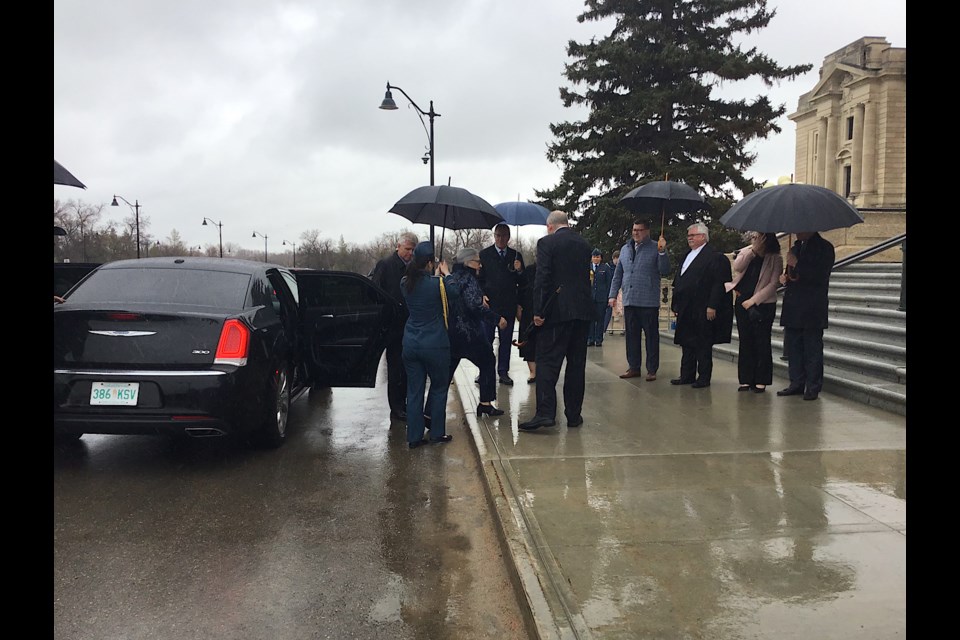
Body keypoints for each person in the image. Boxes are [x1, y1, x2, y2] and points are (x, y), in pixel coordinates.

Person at [519, 211, 593, 431]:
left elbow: (542, 278)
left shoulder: (547, 243)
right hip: (582, 312)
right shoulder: (584, 244)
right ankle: (573, 415)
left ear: (550, 226)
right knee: (576, 365)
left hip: (556, 313)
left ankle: (545, 413)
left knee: (547, 363)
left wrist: (538, 311)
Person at [399, 241, 459, 449]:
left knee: (414, 391)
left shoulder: (405, 283)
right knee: (439, 388)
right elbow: (455, 293)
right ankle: (436, 432)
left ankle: (414, 437)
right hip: (435, 344)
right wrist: (447, 273)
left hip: (411, 343)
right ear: (430, 263)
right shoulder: (439, 284)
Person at [443, 247, 508, 417]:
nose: (480, 265)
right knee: (487, 361)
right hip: (469, 333)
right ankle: (485, 403)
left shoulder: (451, 278)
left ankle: (430, 412)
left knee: (445, 374)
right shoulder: (469, 279)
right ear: (467, 262)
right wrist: (496, 318)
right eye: (477, 262)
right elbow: (474, 306)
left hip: (451, 334)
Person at [670, 222, 733, 388]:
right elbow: (679, 281)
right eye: (688, 236)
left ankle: (703, 377)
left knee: (702, 343)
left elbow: (718, 283)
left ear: (703, 237)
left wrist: (712, 305)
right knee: (686, 342)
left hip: (702, 307)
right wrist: (675, 304)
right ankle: (687, 374)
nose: (689, 238)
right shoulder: (686, 255)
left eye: (693, 235)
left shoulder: (714, 257)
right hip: (686, 306)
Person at [608, 219, 671, 381]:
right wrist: (612, 295)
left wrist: (662, 252)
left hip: (648, 301)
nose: (636, 233)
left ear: (647, 231)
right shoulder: (625, 249)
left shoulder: (656, 247)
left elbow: (664, 270)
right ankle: (634, 367)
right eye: (634, 230)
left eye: (640, 230)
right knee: (631, 336)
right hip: (630, 300)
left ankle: (651, 369)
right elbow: (618, 274)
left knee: (651, 336)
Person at [776, 231, 835, 401]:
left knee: (812, 348)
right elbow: (795, 275)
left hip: (812, 307)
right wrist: (786, 277)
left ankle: (813, 386)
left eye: (799, 228)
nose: (796, 232)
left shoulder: (824, 248)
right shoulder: (796, 247)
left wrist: (798, 264)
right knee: (794, 348)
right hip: (794, 306)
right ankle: (796, 382)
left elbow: (820, 276)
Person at [726, 232, 783, 393]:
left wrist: (754, 300)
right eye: (753, 238)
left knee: (762, 341)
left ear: (767, 239)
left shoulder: (775, 258)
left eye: (758, 237)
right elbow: (737, 267)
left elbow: (774, 284)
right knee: (746, 341)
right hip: (742, 302)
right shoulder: (747, 252)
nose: (754, 240)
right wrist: (752, 251)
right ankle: (745, 378)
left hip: (763, 304)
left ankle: (761, 380)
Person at [371, 232, 418, 421]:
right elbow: (375, 290)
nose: (410, 253)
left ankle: (405, 403)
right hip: (393, 325)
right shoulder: (386, 265)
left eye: (413, 250)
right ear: (398, 246)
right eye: (407, 249)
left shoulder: (413, 267)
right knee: (396, 368)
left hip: (411, 323)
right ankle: (396, 406)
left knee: (408, 367)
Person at [478, 223, 525, 385]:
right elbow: (479, 279)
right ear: (494, 236)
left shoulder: (515, 256)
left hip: (508, 305)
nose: (500, 239)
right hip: (490, 305)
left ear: (508, 237)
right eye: (498, 235)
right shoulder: (484, 254)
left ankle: (503, 371)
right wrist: (481, 295)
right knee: (486, 340)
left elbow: (522, 281)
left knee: (505, 342)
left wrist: (519, 270)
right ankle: (484, 370)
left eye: (504, 236)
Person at [513, 262, 538, 383]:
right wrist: (518, 307)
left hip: (547, 311)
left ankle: (543, 371)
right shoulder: (529, 269)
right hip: (528, 310)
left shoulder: (553, 269)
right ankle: (533, 372)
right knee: (528, 342)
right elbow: (520, 288)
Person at [587, 249, 614, 346]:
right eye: (594, 257)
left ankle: (598, 339)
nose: (595, 259)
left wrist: (609, 297)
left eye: (597, 257)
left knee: (600, 319)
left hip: (601, 298)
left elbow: (609, 283)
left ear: (600, 258)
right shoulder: (587, 268)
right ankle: (590, 338)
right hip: (590, 298)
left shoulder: (605, 268)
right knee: (590, 320)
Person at [603, 250, 620, 335]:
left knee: (619, 311)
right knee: (608, 311)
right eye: (616, 258)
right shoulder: (608, 267)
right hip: (609, 290)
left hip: (617, 292)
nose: (617, 260)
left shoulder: (620, 267)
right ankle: (606, 328)